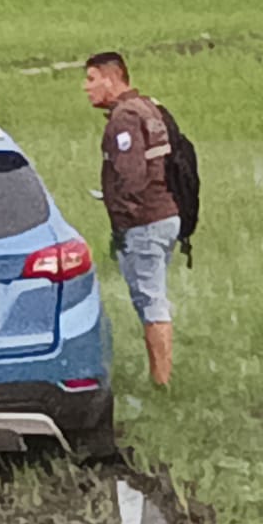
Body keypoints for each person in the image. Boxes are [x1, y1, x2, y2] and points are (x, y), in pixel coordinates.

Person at [83, 52, 180, 388]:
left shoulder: (124, 118)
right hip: (167, 213)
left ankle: (161, 382)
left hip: (146, 222)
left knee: (151, 300)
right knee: (153, 296)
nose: (86, 87)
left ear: (112, 78)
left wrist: (124, 218)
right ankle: (161, 377)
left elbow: (132, 175)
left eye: (92, 78)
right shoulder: (147, 107)